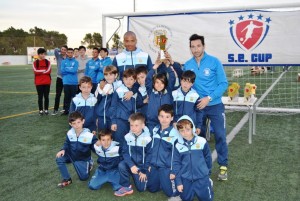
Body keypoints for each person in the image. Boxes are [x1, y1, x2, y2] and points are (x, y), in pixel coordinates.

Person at [184, 34, 228, 181]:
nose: (196, 49)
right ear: (190, 48)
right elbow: (186, 85)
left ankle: (223, 166)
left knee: (220, 135)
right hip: (198, 106)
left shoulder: (214, 62)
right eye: (193, 46)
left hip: (214, 105)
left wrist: (208, 98)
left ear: (203, 46)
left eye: (198, 46)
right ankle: (201, 165)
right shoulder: (188, 64)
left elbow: (223, 84)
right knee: (198, 137)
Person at [173, 115, 214, 201]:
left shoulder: (202, 141)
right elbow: (176, 165)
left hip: (201, 178)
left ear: (193, 128)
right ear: (178, 132)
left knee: (206, 198)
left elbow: (208, 158)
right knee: (186, 198)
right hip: (186, 180)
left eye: (187, 129)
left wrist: (207, 173)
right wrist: (179, 182)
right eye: (182, 130)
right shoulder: (177, 146)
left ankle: (208, 182)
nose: (185, 132)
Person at [55, 111, 97, 188]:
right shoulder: (69, 133)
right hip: (71, 155)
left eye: (78, 122)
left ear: (83, 121)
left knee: (84, 178)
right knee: (59, 159)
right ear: (70, 124)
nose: (76, 125)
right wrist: (63, 149)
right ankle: (67, 179)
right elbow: (67, 143)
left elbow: (96, 148)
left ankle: (89, 162)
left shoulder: (89, 136)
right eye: (74, 123)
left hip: (82, 159)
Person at [147, 104, 180, 200]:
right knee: (152, 189)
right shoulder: (155, 130)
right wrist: (149, 164)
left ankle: (178, 181)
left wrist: (173, 171)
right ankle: (161, 180)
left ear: (172, 118)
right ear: (158, 117)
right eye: (161, 116)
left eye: (167, 117)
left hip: (166, 167)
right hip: (154, 165)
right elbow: (151, 149)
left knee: (171, 193)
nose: (164, 119)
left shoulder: (174, 134)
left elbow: (175, 155)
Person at [115, 112, 152, 196]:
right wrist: (131, 165)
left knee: (141, 189)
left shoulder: (148, 138)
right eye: (131, 125)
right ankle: (126, 186)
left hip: (142, 166)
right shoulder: (127, 137)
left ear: (143, 125)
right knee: (121, 165)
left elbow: (149, 155)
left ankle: (141, 175)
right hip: (131, 164)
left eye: (136, 125)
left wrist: (144, 170)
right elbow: (125, 153)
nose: (133, 128)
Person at [110, 68, 143, 145]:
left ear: (135, 81)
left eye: (131, 79)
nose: (128, 81)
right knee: (119, 142)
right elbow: (113, 107)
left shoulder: (136, 92)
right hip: (120, 121)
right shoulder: (118, 91)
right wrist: (113, 122)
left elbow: (138, 105)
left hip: (132, 121)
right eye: (126, 79)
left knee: (130, 142)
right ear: (123, 79)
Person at [145, 58, 176, 134]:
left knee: (165, 141)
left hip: (166, 122)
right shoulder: (150, 92)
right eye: (157, 82)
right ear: (153, 83)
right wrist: (154, 67)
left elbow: (172, 78)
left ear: (165, 84)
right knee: (152, 141)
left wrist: (167, 66)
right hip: (152, 122)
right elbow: (148, 79)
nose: (159, 85)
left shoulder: (168, 92)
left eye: (162, 83)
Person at [88, 129, 122, 193]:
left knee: (119, 187)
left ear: (112, 140)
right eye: (103, 140)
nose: (106, 142)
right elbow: (89, 143)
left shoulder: (117, 148)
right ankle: (105, 178)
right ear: (100, 140)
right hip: (102, 170)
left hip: (114, 170)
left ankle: (111, 178)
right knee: (92, 186)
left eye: (108, 139)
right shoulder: (96, 147)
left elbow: (125, 157)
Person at [172, 70, 202, 135]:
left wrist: (198, 126)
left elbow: (199, 112)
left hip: (190, 126)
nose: (185, 84)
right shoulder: (174, 94)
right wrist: (173, 121)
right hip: (176, 125)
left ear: (192, 84)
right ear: (181, 81)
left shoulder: (195, 95)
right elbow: (171, 110)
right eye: (184, 81)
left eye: (188, 82)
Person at [95, 65, 122, 131]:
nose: (108, 77)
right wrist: (96, 116)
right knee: (102, 137)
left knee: (112, 138)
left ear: (115, 75)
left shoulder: (119, 85)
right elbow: (97, 101)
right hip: (101, 116)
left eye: (111, 74)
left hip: (112, 118)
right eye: (106, 75)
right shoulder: (101, 86)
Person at [32, 48, 52, 115]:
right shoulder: (35, 62)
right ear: (38, 55)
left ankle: (46, 110)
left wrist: (40, 71)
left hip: (47, 82)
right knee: (40, 97)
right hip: (39, 83)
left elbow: (49, 70)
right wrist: (44, 70)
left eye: (44, 54)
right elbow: (35, 71)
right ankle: (40, 110)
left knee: (46, 96)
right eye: (41, 54)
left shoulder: (48, 62)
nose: (43, 55)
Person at [61, 48, 79, 115]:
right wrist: (71, 70)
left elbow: (74, 71)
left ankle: (74, 110)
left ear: (73, 53)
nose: (70, 54)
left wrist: (67, 70)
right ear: (67, 53)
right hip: (66, 82)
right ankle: (66, 111)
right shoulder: (63, 61)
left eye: (71, 52)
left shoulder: (76, 62)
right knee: (66, 97)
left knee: (74, 97)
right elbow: (62, 71)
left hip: (74, 82)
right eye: (69, 52)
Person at [52, 45, 67, 115]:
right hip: (59, 78)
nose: (63, 51)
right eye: (62, 49)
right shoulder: (58, 56)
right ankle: (55, 109)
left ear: (66, 51)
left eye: (64, 50)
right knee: (58, 94)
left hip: (67, 78)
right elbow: (55, 50)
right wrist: (59, 49)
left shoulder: (68, 57)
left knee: (66, 94)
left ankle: (64, 108)